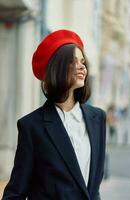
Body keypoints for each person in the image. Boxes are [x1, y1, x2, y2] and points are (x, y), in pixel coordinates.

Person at [2, 29, 106, 200]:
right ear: (56, 68)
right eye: (73, 62)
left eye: (83, 61)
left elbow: (93, 188)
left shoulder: (98, 119)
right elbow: (15, 192)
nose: (82, 67)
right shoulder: (32, 126)